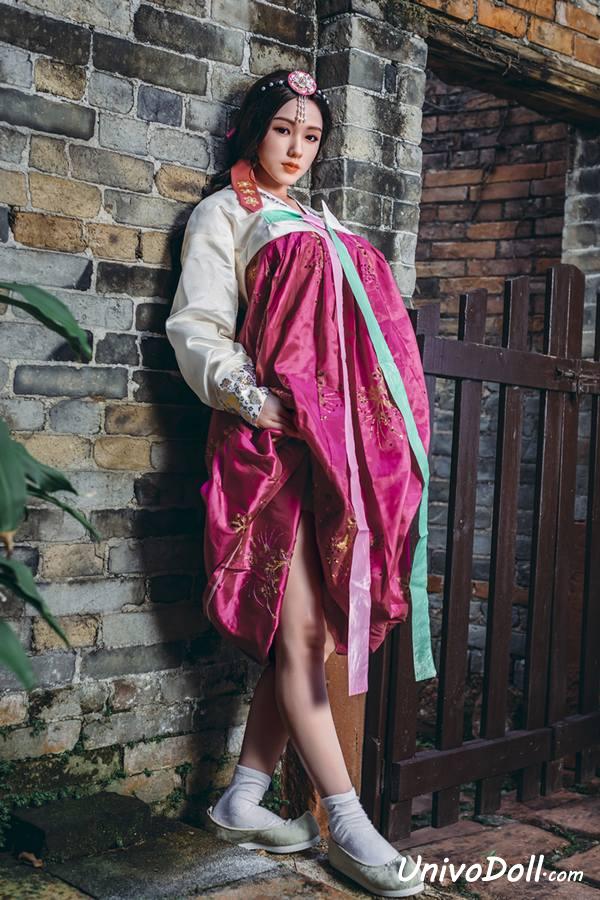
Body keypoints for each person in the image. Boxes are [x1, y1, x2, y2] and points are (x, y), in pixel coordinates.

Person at [165, 68, 434, 897]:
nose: (295, 148)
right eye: (283, 129)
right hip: (272, 450)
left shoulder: (323, 222)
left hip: (335, 454)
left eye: (310, 136)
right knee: (304, 629)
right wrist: (253, 398)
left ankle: (241, 798)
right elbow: (199, 324)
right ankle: (348, 821)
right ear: (253, 130)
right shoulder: (226, 214)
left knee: (308, 638)